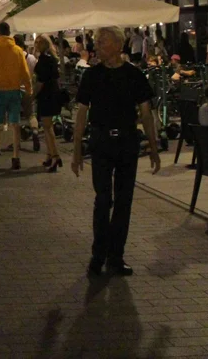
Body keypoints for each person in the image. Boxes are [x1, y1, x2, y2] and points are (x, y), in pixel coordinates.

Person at [71, 26, 160, 277]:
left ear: (117, 46)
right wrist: (77, 149)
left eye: (102, 42)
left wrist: (153, 147)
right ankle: (98, 253)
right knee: (102, 199)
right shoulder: (92, 76)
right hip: (100, 140)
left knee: (123, 200)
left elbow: (146, 114)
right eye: (97, 42)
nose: (97, 46)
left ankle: (116, 255)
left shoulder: (134, 75)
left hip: (126, 141)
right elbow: (81, 114)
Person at [0, 21, 32, 171]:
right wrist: (28, 89)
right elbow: (25, 73)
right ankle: (15, 157)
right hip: (14, 90)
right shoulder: (18, 50)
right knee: (15, 125)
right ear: (9, 33)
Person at [33, 35, 65, 173]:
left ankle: (56, 156)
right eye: (36, 42)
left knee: (47, 127)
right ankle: (49, 155)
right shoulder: (52, 59)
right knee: (48, 126)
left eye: (39, 42)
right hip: (53, 94)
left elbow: (40, 82)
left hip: (46, 96)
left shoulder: (43, 60)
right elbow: (57, 79)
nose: (37, 44)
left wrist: (32, 96)